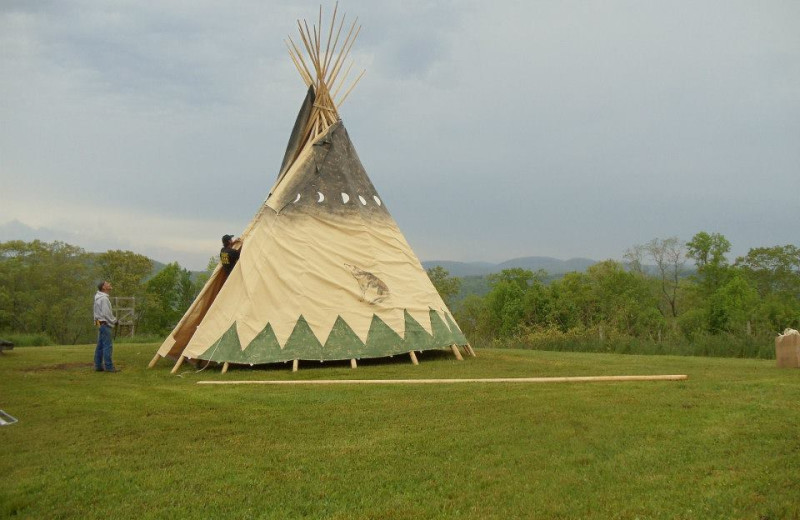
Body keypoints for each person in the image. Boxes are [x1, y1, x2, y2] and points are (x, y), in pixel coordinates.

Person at [93, 280, 119, 372]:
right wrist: (114, 321)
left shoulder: (98, 297)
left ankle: (98, 366)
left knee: (100, 345)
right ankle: (109, 367)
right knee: (108, 345)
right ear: (104, 287)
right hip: (104, 323)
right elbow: (106, 313)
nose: (110, 284)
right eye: (107, 284)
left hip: (99, 323)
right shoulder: (104, 299)